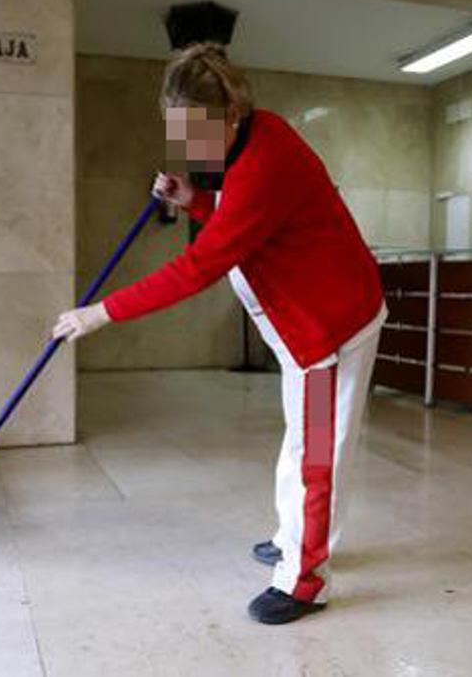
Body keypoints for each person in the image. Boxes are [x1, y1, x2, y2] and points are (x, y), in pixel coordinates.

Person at [51, 42, 386, 625]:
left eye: (200, 131)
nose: (192, 147)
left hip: (329, 328)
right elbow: (249, 220)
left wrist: (99, 313)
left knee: (317, 455)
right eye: (180, 133)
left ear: (232, 113)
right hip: (310, 320)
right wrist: (196, 200)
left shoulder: (263, 160)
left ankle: (305, 581)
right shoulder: (256, 140)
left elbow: (198, 267)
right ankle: (294, 540)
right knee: (303, 444)